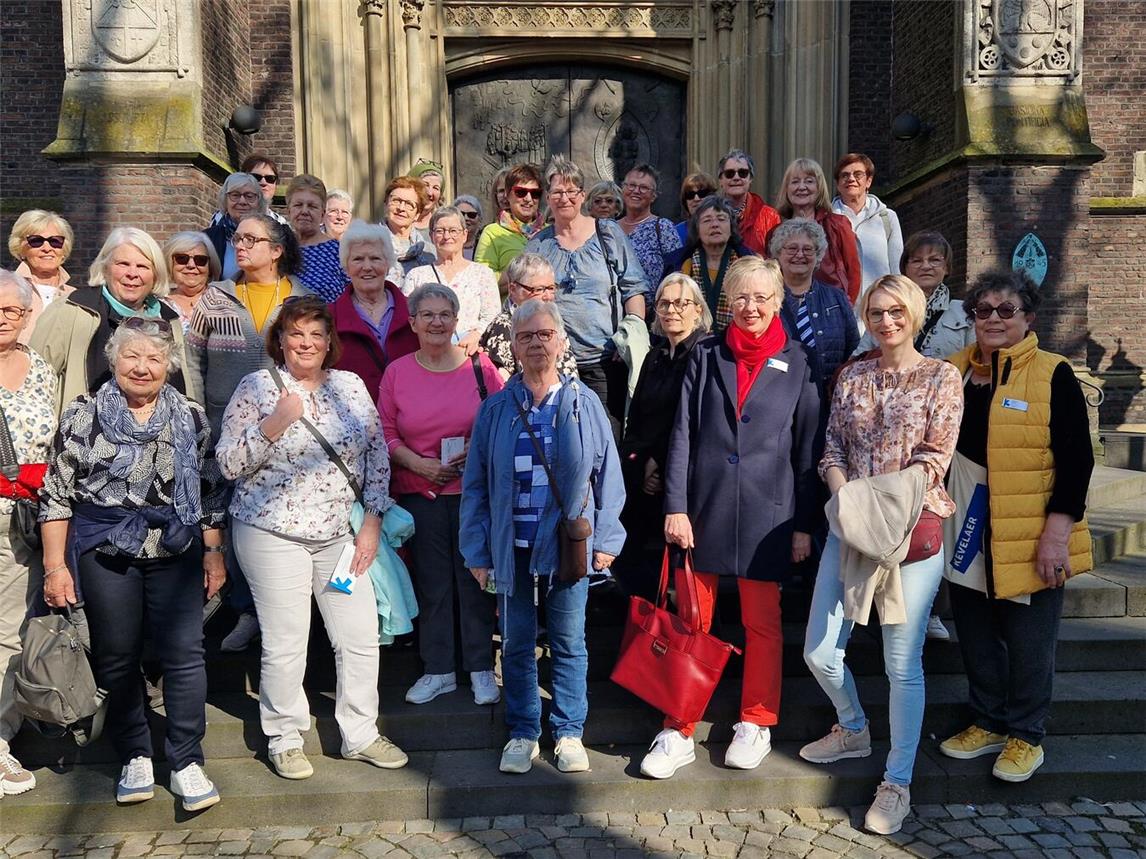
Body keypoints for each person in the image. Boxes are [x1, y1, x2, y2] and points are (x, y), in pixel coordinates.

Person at [641, 257, 819, 779]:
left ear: (778, 302)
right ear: (728, 304)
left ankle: (756, 720)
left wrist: (805, 523)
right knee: (693, 620)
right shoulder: (708, 355)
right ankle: (678, 727)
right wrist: (674, 505)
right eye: (741, 297)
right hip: (703, 508)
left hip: (770, 517)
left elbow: (808, 449)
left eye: (762, 297)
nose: (752, 307)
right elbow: (682, 434)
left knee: (762, 624)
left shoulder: (799, 360)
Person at [217, 296, 408, 779]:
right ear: (279, 339)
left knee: (360, 634)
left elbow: (375, 458)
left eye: (315, 334)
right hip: (271, 534)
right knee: (286, 639)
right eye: (295, 333)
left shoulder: (350, 385)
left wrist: (371, 524)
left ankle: (360, 733)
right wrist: (274, 424)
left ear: (329, 342)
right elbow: (228, 464)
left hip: (339, 537)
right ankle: (284, 736)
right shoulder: (256, 387)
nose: (305, 343)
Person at [40, 318, 227, 810]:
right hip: (105, 548)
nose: (143, 368)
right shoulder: (82, 414)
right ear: (113, 359)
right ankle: (135, 754)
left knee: (185, 654)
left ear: (168, 366)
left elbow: (208, 490)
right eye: (132, 357)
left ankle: (187, 761)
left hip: (176, 546)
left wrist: (213, 551)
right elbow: (56, 495)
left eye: (155, 359)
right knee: (117, 655)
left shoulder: (189, 415)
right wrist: (56, 566)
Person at [801, 275, 963, 835]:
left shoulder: (942, 377)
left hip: (912, 531)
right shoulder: (853, 376)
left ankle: (897, 781)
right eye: (876, 311)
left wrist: (879, 510)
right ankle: (852, 727)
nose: (886, 320)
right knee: (820, 651)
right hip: (852, 528)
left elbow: (933, 457)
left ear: (914, 315)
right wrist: (849, 500)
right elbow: (833, 448)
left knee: (901, 663)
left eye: (897, 311)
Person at [939, 270, 1093, 784]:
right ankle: (987, 720)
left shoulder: (1054, 373)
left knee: (1029, 639)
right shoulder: (952, 371)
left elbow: (1077, 462)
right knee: (976, 633)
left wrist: (1056, 534)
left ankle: (1026, 734)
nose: (995, 319)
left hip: (1029, 531)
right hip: (966, 525)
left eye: (1007, 310)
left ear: (1028, 317)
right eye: (984, 310)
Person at [460, 299, 625, 775]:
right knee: (515, 644)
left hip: (567, 548)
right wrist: (476, 548)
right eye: (526, 336)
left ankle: (569, 731)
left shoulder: (583, 404)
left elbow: (607, 476)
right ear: (513, 346)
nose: (536, 343)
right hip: (512, 546)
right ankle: (522, 730)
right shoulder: (495, 409)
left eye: (544, 334)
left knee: (570, 642)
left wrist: (608, 538)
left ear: (561, 341)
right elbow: (476, 485)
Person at [184, 213, 309, 653]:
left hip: (289, 434)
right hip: (225, 430)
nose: (241, 245)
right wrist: (200, 417)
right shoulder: (214, 299)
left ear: (277, 249)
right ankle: (246, 610)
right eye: (238, 238)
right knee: (233, 520)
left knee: (276, 518)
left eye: (252, 239)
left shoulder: (301, 297)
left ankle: (284, 614)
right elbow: (193, 362)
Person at [378, 284, 503, 706]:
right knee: (433, 583)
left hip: (473, 495)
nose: (435, 322)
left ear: (456, 320)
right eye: (426, 314)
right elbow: (385, 433)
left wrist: (479, 452)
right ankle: (438, 670)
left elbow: (503, 422)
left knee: (476, 582)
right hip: (421, 494)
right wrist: (419, 464)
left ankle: (481, 667)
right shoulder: (397, 372)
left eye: (444, 314)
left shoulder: (480, 368)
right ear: (411, 322)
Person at [525, 156, 648, 442]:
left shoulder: (608, 234)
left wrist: (630, 335)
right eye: (557, 192)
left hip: (605, 361)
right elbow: (525, 299)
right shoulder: (538, 244)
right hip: (555, 363)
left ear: (582, 196)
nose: (564, 198)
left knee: (606, 442)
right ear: (548, 197)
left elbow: (633, 287)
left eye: (571, 192)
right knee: (561, 445)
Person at [615, 273, 710, 601]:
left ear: (698, 310)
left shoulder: (706, 355)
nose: (672, 310)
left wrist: (659, 461)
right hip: (645, 470)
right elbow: (636, 418)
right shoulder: (655, 357)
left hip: (686, 477)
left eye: (681, 303)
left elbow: (696, 421)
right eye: (664, 303)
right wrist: (644, 464)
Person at [30, 227, 194, 415]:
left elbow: (183, 384)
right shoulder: (72, 309)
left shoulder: (167, 319)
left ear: (155, 274)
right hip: (83, 437)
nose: (132, 274)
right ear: (105, 268)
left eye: (142, 266)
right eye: (123, 264)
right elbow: (35, 380)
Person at [0, 270, 57, 797]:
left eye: (12, 310)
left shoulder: (38, 366)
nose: (2, 317)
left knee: (17, 625)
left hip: (29, 517)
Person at [854, 231, 974, 362]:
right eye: (917, 261)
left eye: (934, 260)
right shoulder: (885, 312)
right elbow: (859, 359)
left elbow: (977, 361)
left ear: (947, 268)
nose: (926, 266)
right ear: (905, 268)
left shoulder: (963, 312)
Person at [331, 220, 418, 399]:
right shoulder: (329, 318)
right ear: (346, 267)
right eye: (358, 259)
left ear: (388, 264)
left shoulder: (416, 312)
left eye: (375, 258)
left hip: (409, 416)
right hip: (352, 419)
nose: (367, 267)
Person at [772, 218, 859, 390]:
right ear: (778, 253)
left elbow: (853, 350)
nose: (799, 255)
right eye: (791, 248)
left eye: (808, 249)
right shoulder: (766, 299)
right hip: (780, 395)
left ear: (818, 255)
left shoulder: (836, 298)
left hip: (827, 395)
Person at [404, 207, 501, 353]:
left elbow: (492, 315)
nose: (446, 236)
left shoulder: (483, 274)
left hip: (470, 352)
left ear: (464, 235)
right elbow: (409, 317)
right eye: (440, 231)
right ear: (431, 236)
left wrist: (476, 335)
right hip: (428, 353)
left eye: (453, 230)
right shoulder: (416, 276)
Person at [770, 158, 862, 304]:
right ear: (786, 189)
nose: (802, 187)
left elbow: (854, 273)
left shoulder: (838, 225)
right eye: (795, 182)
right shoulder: (775, 233)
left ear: (819, 188)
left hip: (830, 307)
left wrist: (845, 306)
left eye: (809, 181)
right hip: (788, 308)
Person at [479, 253, 579, 381]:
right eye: (539, 289)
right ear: (513, 289)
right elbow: (500, 386)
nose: (547, 296)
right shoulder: (503, 327)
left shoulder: (553, 320)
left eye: (551, 288)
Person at [662, 196, 755, 332]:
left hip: (737, 342)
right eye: (707, 220)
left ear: (731, 227)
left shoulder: (748, 263)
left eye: (721, 219)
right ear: (697, 230)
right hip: (691, 343)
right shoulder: (679, 264)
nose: (715, 224)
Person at [832, 153, 904, 303]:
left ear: (868, 181)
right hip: (838, 306)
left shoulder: (887, 218)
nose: (851, 179)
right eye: (844, 175)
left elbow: (897, 268)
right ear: (838, 184)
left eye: (858, 174)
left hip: (879, 306)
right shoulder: (826, 221)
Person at [6, 209, 76, 342]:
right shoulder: (6, 290)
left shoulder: (76, 297)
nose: (47, 248)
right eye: (36, 241)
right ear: (20, 247)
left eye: (55, 241)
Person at [618, 164, 682, 295]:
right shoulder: (610, 229)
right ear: (623, 189)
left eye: (643, 188)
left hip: (651, 311)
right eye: (631, 185)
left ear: (653, 196)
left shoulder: (663, 228)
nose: (636, 191)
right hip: (612, 311)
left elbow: (676, 273)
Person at [475, 163, 546, 279]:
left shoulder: (551, 232)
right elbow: (482, 280)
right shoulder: (492, 233)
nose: (528, 199)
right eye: (520, 192)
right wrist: (522, 273)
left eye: (535, 193)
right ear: (508, 195)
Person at [286, 174, 349, 302]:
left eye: (312, 206)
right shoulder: (279, 250)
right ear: (289, 211)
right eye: (298, 205)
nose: (304, 211)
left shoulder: (339, 252)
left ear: (322, 214)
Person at [205, 172, 270, 280]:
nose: (242, 201)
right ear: (225, 200)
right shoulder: (208, 239)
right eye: (235, 195)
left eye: (249, 196)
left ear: (259, 202)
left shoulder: (273, 235)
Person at [715, 148, 780, 257]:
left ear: (750, 179)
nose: (736, 178)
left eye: (743, 173)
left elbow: (775, 259)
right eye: (729, 173)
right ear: (721, 180)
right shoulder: (709, 215)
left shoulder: (770, 216)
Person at [162, 231, 221, 332]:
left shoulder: (223, 301)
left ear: (210, 267)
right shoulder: (156, 305)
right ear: (170, 263)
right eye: (182, 258)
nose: (191, 265)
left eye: (200, 260)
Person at [381, 176, 435, 280]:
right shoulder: (368, 244)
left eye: (409, 204)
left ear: (417, 214)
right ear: (386, 204)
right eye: (396, 201)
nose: (401, 208)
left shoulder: (430, 253)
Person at [239, 153, 287, 218]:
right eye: (256, 177)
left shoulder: (281, 224)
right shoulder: (224, 220)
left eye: (270, 178)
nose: (263, 182)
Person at [674, 171, 718, 244]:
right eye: (690, 195)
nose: (696, 199)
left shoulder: (721, 227)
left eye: (702, 193)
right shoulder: (676, 232)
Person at [409, 160, 445, 232]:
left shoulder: (443, 226)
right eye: (425, 185)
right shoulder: (395, 224)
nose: (429, 193)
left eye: (436, 188)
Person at [452, 195, 484, 260]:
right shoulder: (445, 244)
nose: (466, 218)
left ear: (479, 220)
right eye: (461, 214)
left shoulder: (485, 245)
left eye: (471, 215)